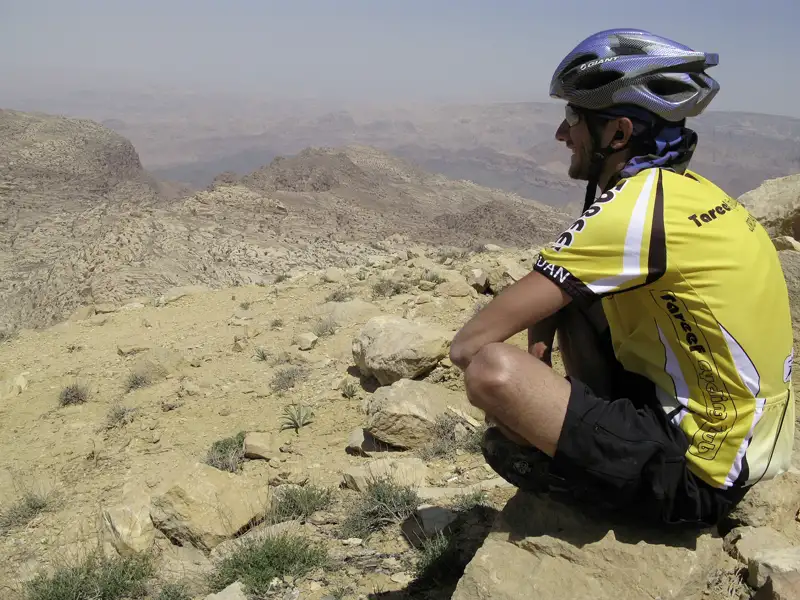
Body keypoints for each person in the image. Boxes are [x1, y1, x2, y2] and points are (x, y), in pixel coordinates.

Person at [449, 28, 796, 527]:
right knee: (573, 302)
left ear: (618, 134)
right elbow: (561, 281)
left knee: (491, 375)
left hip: (700, 474)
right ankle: (598, 437)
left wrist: (529, 401)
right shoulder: (686, 190)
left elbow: (468, 347)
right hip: (750, 439)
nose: (561, 134)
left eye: (573, 117)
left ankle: (597, 489)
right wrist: (542, 361)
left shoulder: (635, 212)